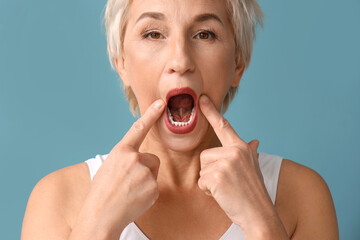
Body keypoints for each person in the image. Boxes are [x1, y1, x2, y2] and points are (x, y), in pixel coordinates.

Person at [21, 0, 339, 239]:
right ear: (121, 62)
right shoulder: (58, 199)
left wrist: (261, 223)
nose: (180, 60)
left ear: (238, 63)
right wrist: (96, 226)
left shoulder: (301, 194)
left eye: (204, 34)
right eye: (154, 33)